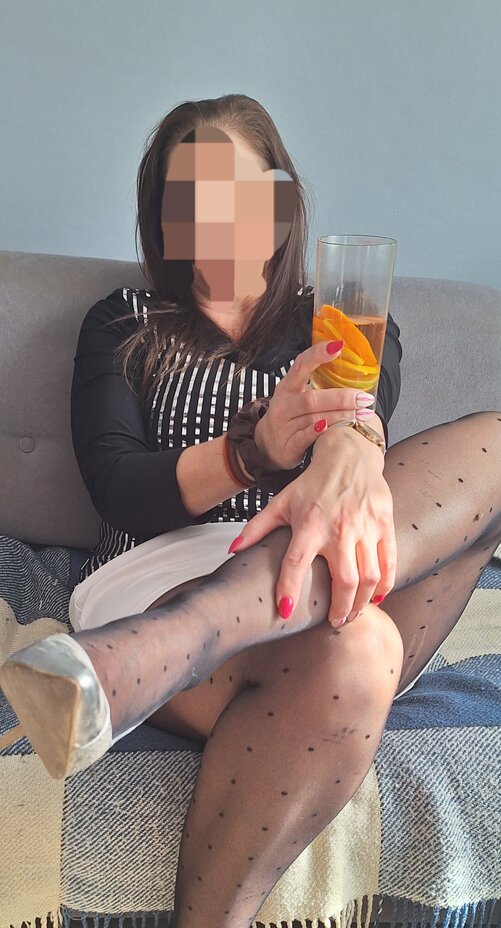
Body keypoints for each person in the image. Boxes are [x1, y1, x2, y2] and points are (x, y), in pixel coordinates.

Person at [1, 94, 500, 928]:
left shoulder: (338, 316)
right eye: (187, 196)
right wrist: (253, 451)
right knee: (359, 649)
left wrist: (348, 446)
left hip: (322, 572)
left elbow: (366, 414)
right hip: (164, 571)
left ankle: (147, 659)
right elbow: (119, 488)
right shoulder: (125, 322)